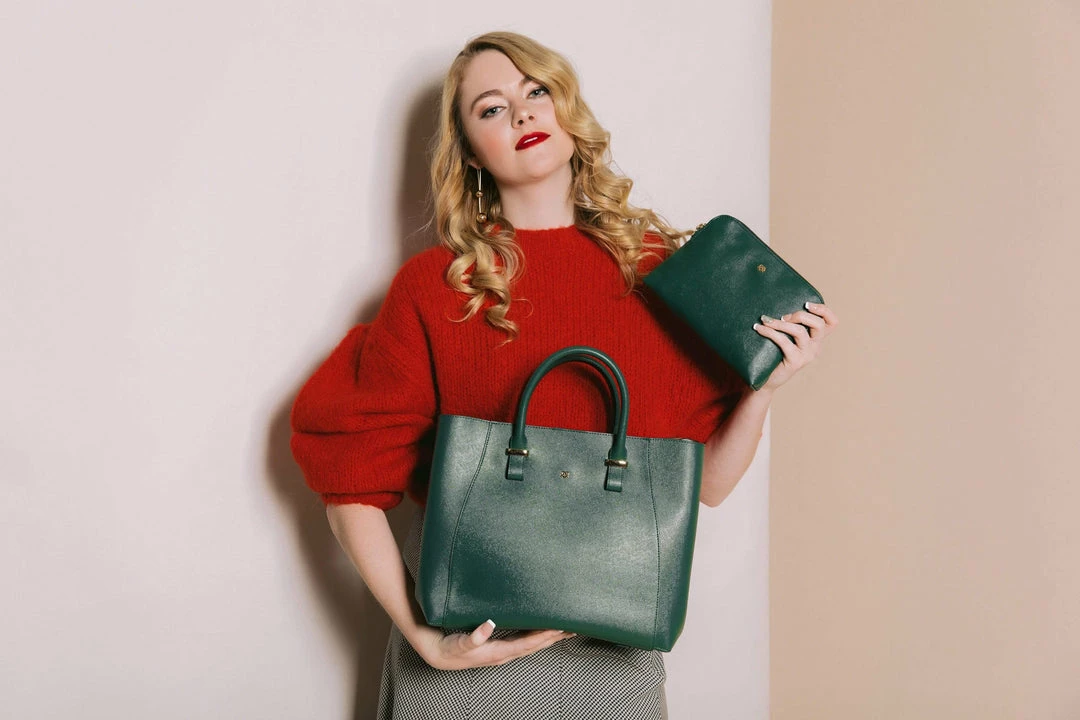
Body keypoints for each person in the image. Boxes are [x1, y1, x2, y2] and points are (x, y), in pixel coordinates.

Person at [291, 30, 838, 720]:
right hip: (471, 655)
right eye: (491, 108)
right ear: (469, 152)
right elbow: (350, 481)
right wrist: (423, 636)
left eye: (536, 91)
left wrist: (763, 389)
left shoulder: (659, 274)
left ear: (566, 109)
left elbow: (709, 485)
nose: (522, 112)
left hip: (615, 658)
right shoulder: (437, 288)